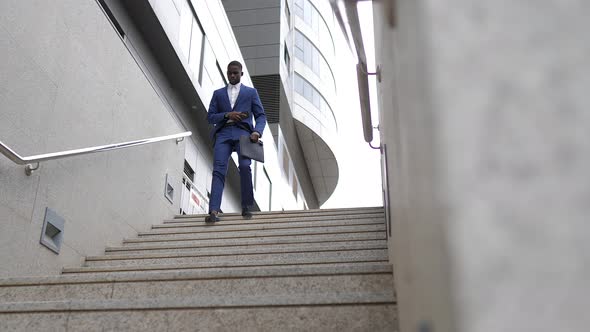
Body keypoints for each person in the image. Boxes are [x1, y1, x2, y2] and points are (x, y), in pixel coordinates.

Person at [205, 60, 266, 223]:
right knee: (218, 170)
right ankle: (213, 210)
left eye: (235, 73)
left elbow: (261, 116)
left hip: (243, 134)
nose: (232, 75)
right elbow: (210, 117)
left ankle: (246, 206)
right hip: (223, 133)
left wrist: (257, 131)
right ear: (227, 73)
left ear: (241, 74)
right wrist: (227, 115)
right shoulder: (218, 94)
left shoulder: (251, 93)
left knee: (245, 167)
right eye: (230, 73)